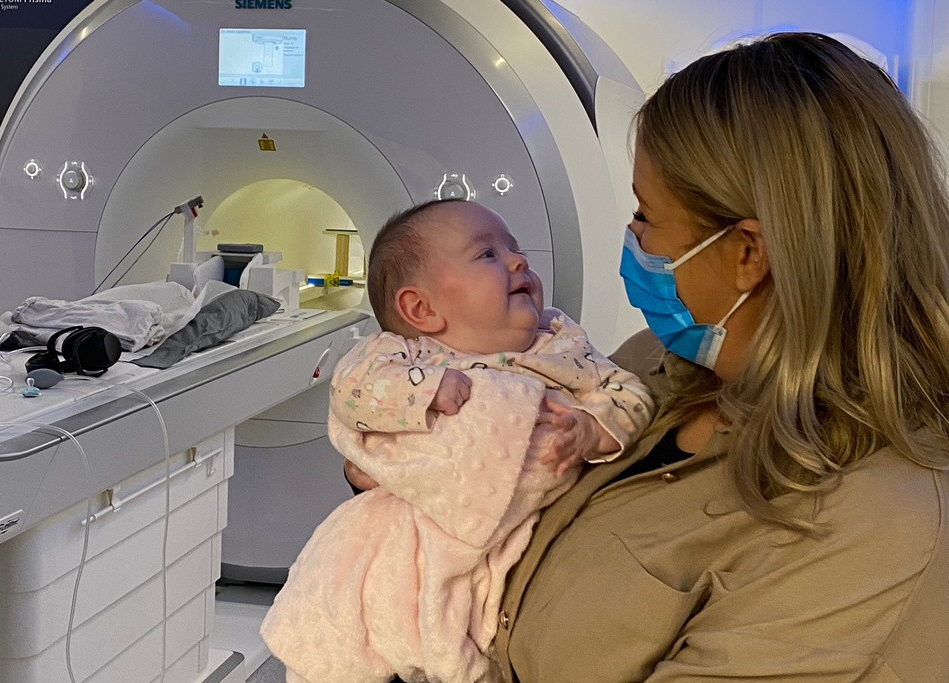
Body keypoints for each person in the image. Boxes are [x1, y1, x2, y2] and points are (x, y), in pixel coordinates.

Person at [344, 32, 949, 681]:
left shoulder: (871, 528)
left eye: (646, 216)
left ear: (748, 253)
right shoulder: (651, 367)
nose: (632, 240)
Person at [260, 199, 654, 683]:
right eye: (488, 255)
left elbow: (628, 390)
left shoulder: (560, 342)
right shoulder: (403, 355)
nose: (518, 261)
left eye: (513, 249)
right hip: (420, 522)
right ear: (420, 309)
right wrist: (423, 390)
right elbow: (351, 391)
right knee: (366, 583)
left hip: (516, 523)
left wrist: (594, 427)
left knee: (470, 610)